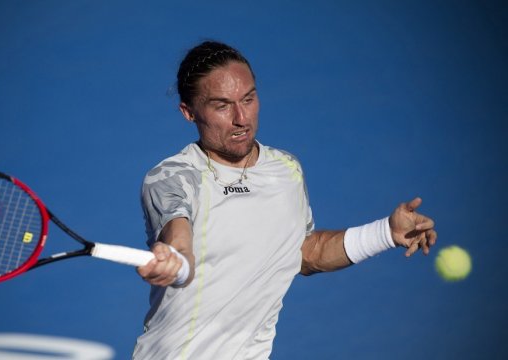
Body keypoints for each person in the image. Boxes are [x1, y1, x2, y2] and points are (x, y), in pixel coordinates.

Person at [133, 40, 437, 360]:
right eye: (222, 106)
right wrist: (175, 261)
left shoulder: (286, 170)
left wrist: (385, 232)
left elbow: (304, 252)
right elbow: (180, 243)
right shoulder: (172, 177)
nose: (241, 118)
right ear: (188, 111)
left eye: (248, 99)